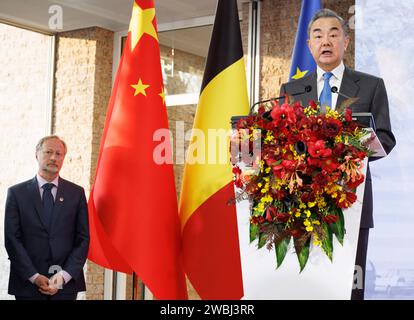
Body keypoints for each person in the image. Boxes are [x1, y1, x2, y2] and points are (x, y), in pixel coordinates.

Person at [280, 9, 396, 300]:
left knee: (350, 288)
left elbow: (385, 136)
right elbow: (282, 141)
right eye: (318, 35)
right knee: (305, 288)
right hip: (302, 206)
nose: (326, 41)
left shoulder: (370, 85)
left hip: (352, 204)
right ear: (309, 46)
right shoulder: (292, 90)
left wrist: (345, 150)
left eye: (334, 34)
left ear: (346, 41)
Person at [4, 135, 90, 300]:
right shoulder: (17, 194)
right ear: (37, 154)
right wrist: (33, 276)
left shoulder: (76, 194)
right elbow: (12, 239)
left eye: (59, 154)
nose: (53, 157)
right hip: (27, 285)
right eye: (48, 152)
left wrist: (63, 276)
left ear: (63, 158)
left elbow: (83, 239)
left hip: (65, 286)